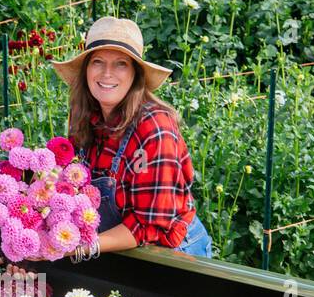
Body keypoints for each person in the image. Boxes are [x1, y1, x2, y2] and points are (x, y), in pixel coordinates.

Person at [51, 16, 212, 261]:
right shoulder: (84, 116)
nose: (107, 73)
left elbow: (151, 224)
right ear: (86, 70)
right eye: (97, 62)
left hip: (173, 253)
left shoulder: (155, 128)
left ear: (135, 74)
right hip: (117, 245)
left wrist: (77, 246)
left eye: (120, 64)